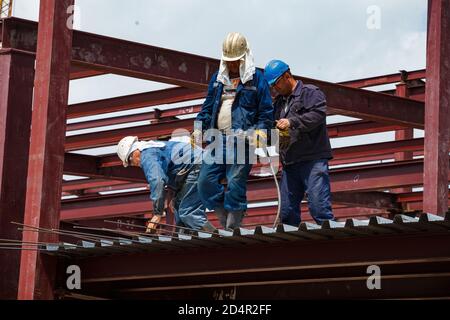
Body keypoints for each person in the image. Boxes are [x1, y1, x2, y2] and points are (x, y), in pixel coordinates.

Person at [192, 32, 274, 231]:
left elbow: (266, 111)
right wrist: (197, 128)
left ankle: (233, 221)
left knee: (236, 180)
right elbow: (208, 106)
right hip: (217, 140)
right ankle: (222, 214)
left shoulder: (256, 80)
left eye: (236, 61)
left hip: (243, 141)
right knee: (204, 181)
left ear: (244, 57)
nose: (232, 65)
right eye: (229, 61)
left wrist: (261, 131)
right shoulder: (218, 80)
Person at [264, 60, 335, 226]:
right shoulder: (279, 103)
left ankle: (333, 245)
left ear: (287, 76)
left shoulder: (310, 93)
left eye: (276, 84)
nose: (275, 88)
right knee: (287, 213)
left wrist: (292, 122)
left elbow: (318, 115)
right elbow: (273, 129)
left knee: (319, 208)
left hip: (312, 160)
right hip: (290, 163)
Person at [117, 136, 216, 233]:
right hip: (198, 167)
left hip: (199, 167)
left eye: (130, 162)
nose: (134, 165)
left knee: (188, 213)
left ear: (134, 152)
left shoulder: (147, 155)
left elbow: (157, 180)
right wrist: (175, 196)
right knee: (178, 208)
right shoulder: (155, 149)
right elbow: (177, 173)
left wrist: (157, 213)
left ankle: (214, 237)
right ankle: (184, 240)